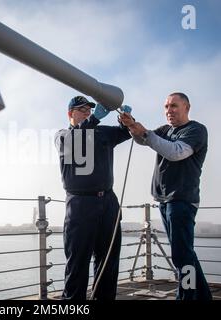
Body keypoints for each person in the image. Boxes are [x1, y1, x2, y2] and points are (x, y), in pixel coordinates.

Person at [119, 92, 212, 300]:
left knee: (182, 255)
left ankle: (186, 296)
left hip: (182, 201)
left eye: (174, 106)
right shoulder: (164, 130)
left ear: (187, 107)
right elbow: (143, 139)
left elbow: (176, 152)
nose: (169, 111)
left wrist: (146, 134)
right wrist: (131, 125)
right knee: (185, 253)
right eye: (166, 106)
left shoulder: (196, 130)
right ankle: (203, 296)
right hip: (165, 200)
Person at [54, 95, 131, 300]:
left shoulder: (102, 133)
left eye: (90, 110)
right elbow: (74, 140)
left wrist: (125, 120)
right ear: (70, 114)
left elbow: (126, 134)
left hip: (108, 203)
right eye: (82, 110)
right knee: (77, 262)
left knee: (108, 261)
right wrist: (94, 119)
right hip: (80, 205)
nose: (88, 113)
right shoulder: (63, 136)